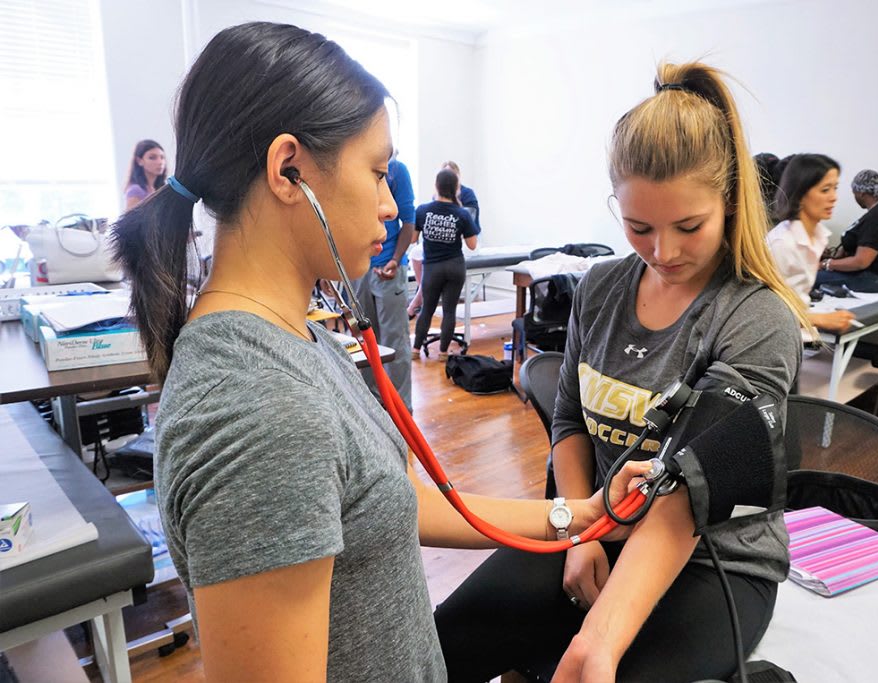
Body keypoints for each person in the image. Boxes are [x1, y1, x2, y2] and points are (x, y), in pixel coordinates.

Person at [111, 22, 647, 682]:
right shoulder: (261, 413)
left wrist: (579, 514)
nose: (394, 205)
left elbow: (385, 499)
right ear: (289, 170)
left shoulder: (293, 338)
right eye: (377, 171)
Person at [434, 62, 812, 682]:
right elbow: (568, 417)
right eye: (639, 228)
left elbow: (697, 490)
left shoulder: (755, 318)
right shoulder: (602, 288)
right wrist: (581, 527)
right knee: (442, 647)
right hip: (602, 523)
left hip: (713, 563)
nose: (663, 253)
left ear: (730, 200)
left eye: (689, 227)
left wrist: (599, 637)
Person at [350, 156, 415, 409]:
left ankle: (400, 410)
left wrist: (396, 260)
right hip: (358, 267)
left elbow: (408, 221)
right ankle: (372, 405)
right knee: (366, 342)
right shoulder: (353, 168)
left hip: (387, 267)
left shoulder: (397, 171)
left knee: (394, 341)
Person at [767, 153, 857, 333]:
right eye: (825, 190)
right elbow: (764, 313)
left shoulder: (817, 237)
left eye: (835, 188)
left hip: (793, 335)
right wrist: (819, 319)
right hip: (772, 340)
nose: (834, 197)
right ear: (800, 194)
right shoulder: (782, 244)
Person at [412, 168, 479, 357]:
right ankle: (443, 352)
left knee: (427, 309)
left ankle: (416, 349)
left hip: (432, 268)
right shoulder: (462, 213)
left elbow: (412, 239)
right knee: (449, 311)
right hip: (455, 267)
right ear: (457, 189)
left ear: (436, 186)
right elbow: (472, 245)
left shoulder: (423, 210)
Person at [814, 169, 878, 293]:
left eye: (854, 193)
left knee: (810, 279)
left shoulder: (877, 216)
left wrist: (826, 264)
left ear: (861, 193)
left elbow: (861, 262)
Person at [123, 139, 166, 209]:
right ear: (139, 161)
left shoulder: (161, 189)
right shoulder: (135, 191)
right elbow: (132, 219)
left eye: (162, 157)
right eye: (152, 158)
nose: (160, 162)